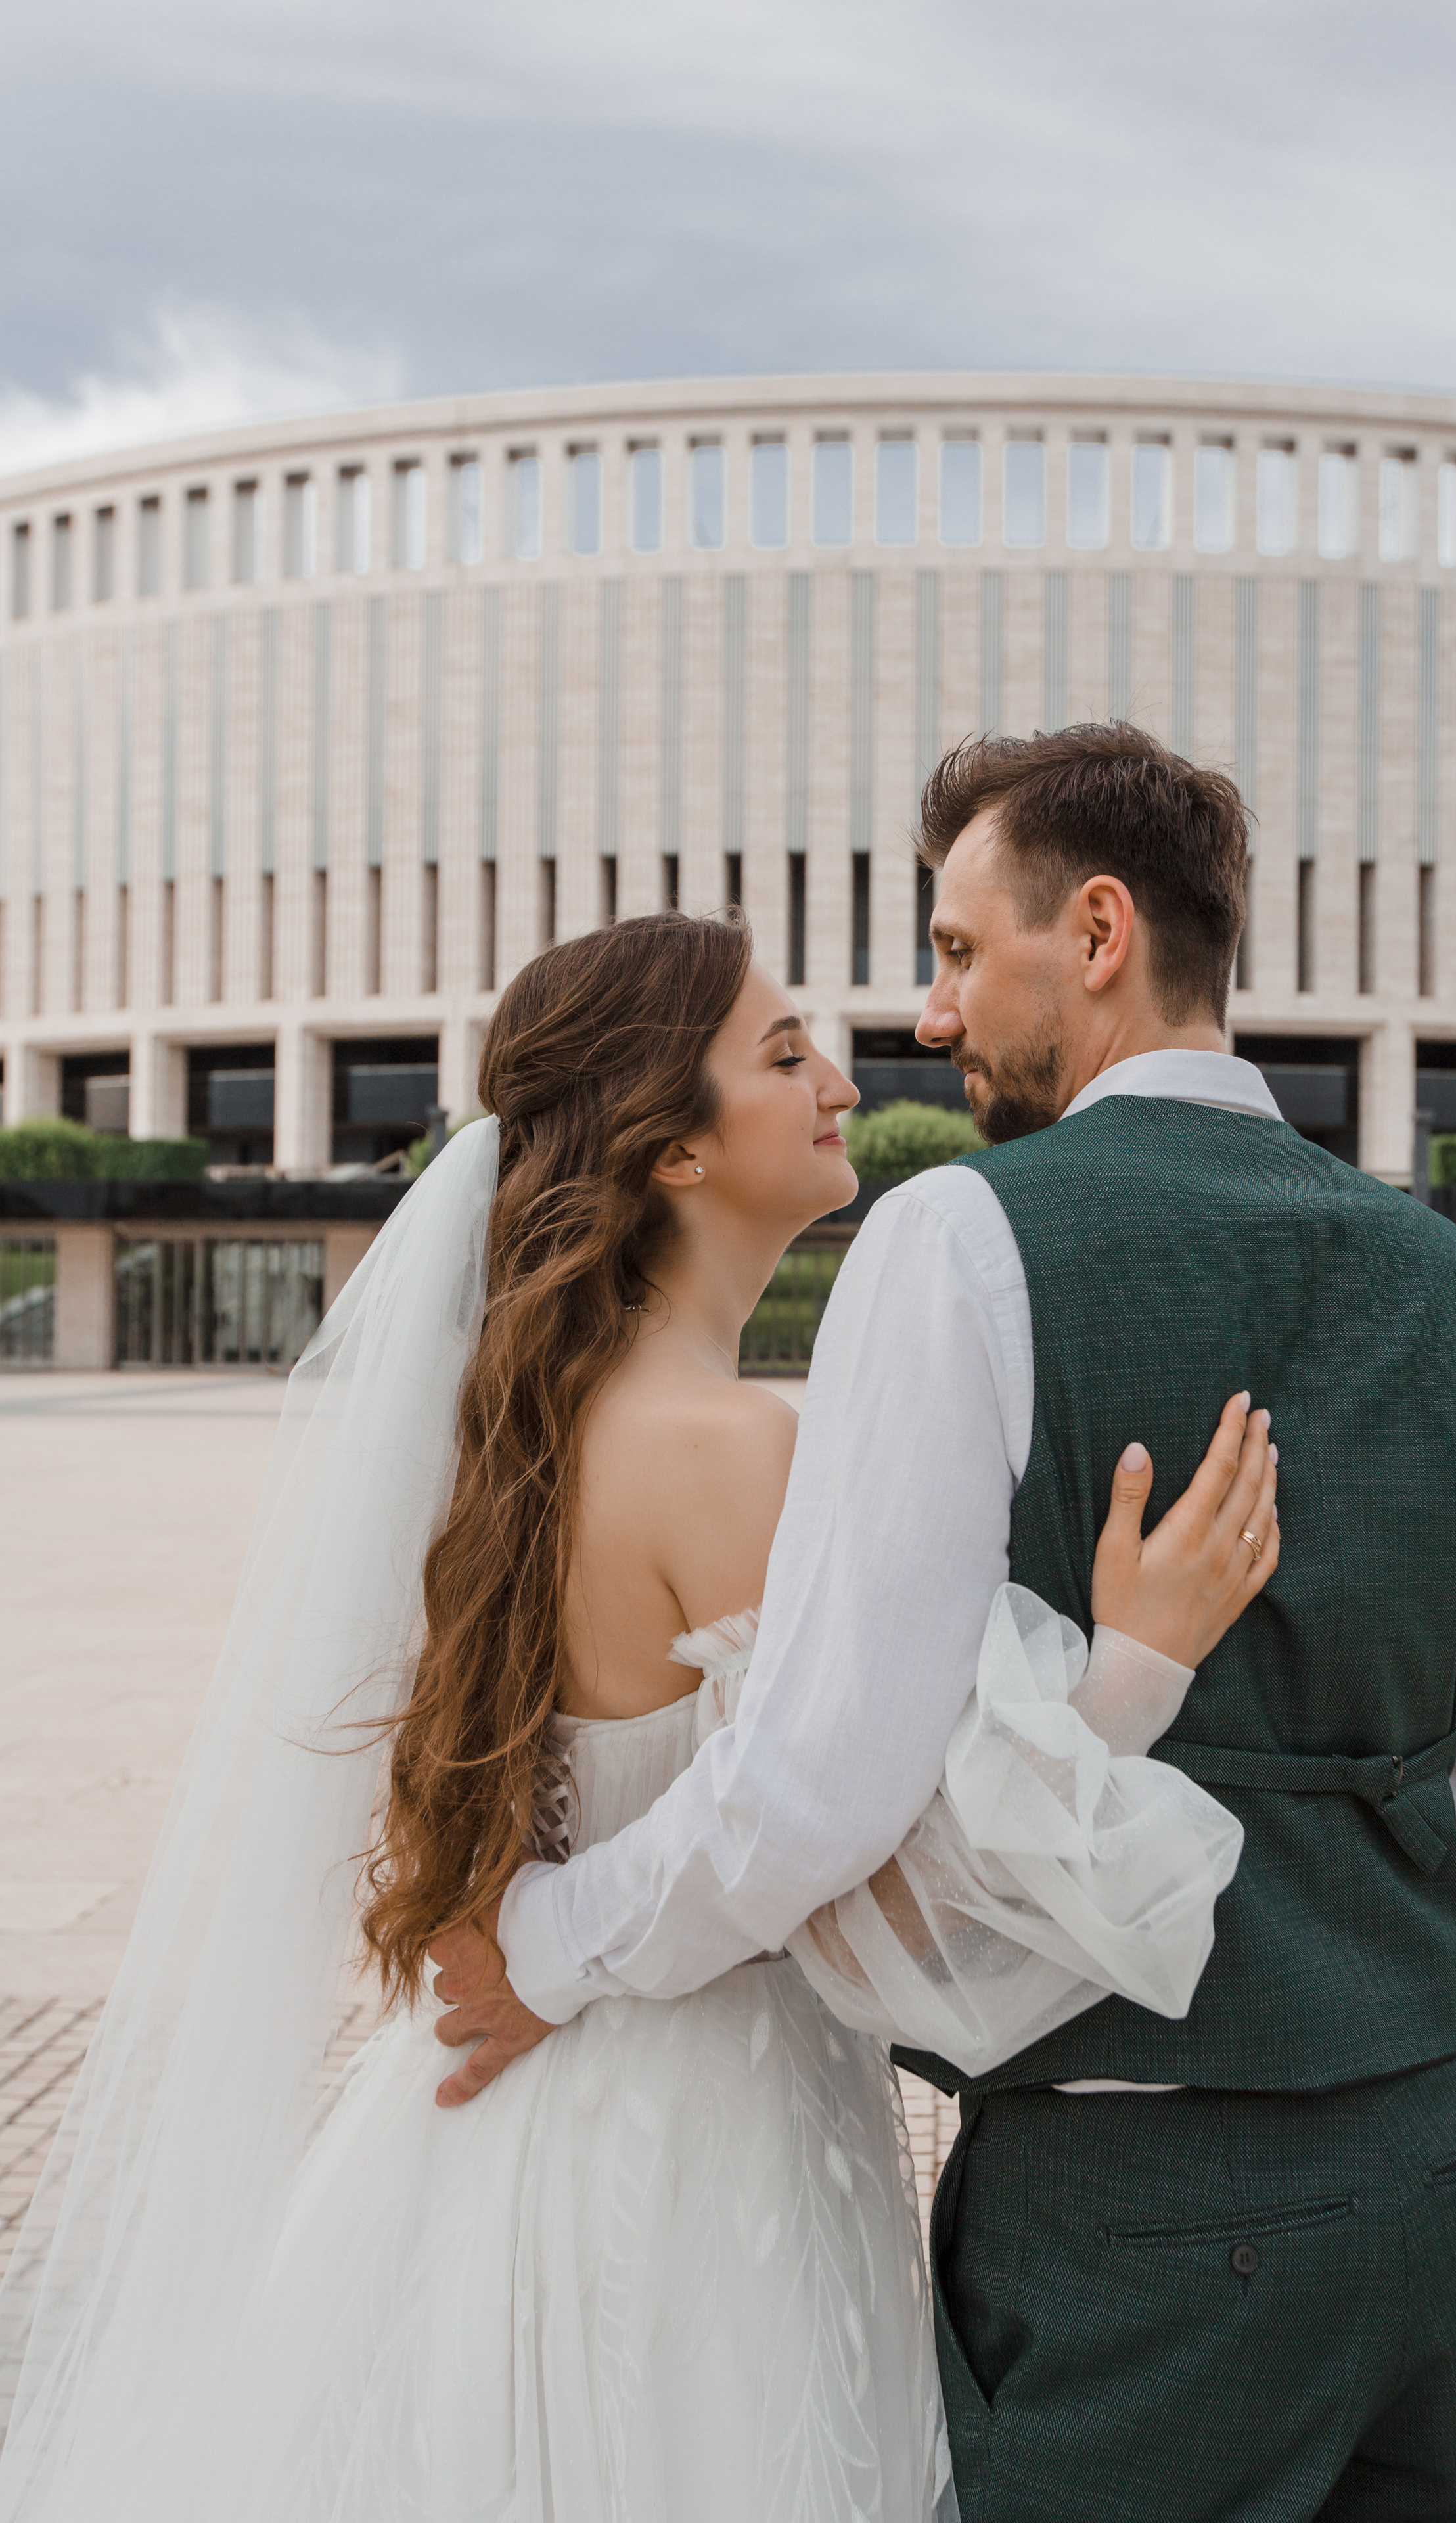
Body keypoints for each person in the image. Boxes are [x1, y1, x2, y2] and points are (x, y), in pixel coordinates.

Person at [0, 907, 1278, 2523]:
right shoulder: (731, 1448)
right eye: (780, 1051)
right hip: (698, 2172)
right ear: (672, 1150)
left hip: (476, 2133)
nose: (840, 1075)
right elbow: (881, 1861)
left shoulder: (521, 1435)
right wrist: (1136, 1669)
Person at [486, 724, 1456, 2523]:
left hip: (1137, 2223)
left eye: (954, 949)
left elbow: (813, 1790)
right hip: (1439, 2190)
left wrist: (546, 1946)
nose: (928, 1019)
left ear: (1093, 932)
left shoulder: (958, 1245)